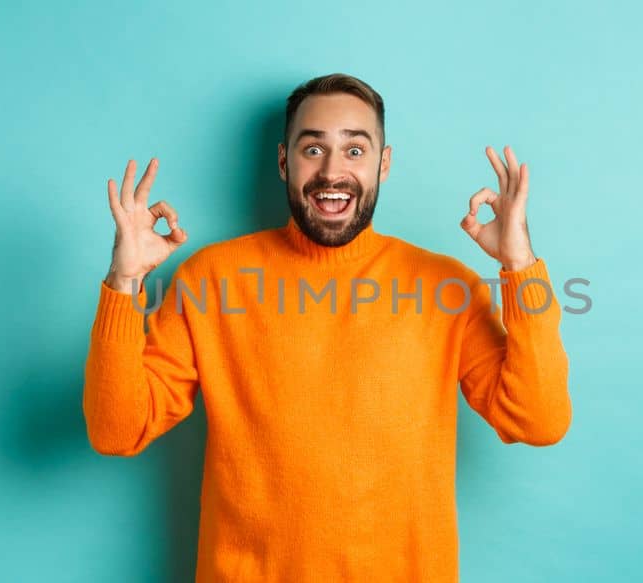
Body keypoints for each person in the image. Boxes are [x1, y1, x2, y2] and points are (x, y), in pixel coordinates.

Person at [84, 72, 571, 582]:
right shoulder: (211, 279)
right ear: (283, 162)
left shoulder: (446, 287)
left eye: (355, 151)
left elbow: (537, 420)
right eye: (313, 149)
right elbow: (117, 430)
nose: (333, 171)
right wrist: (125, 280)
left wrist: (520, 264)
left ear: (384, 164)